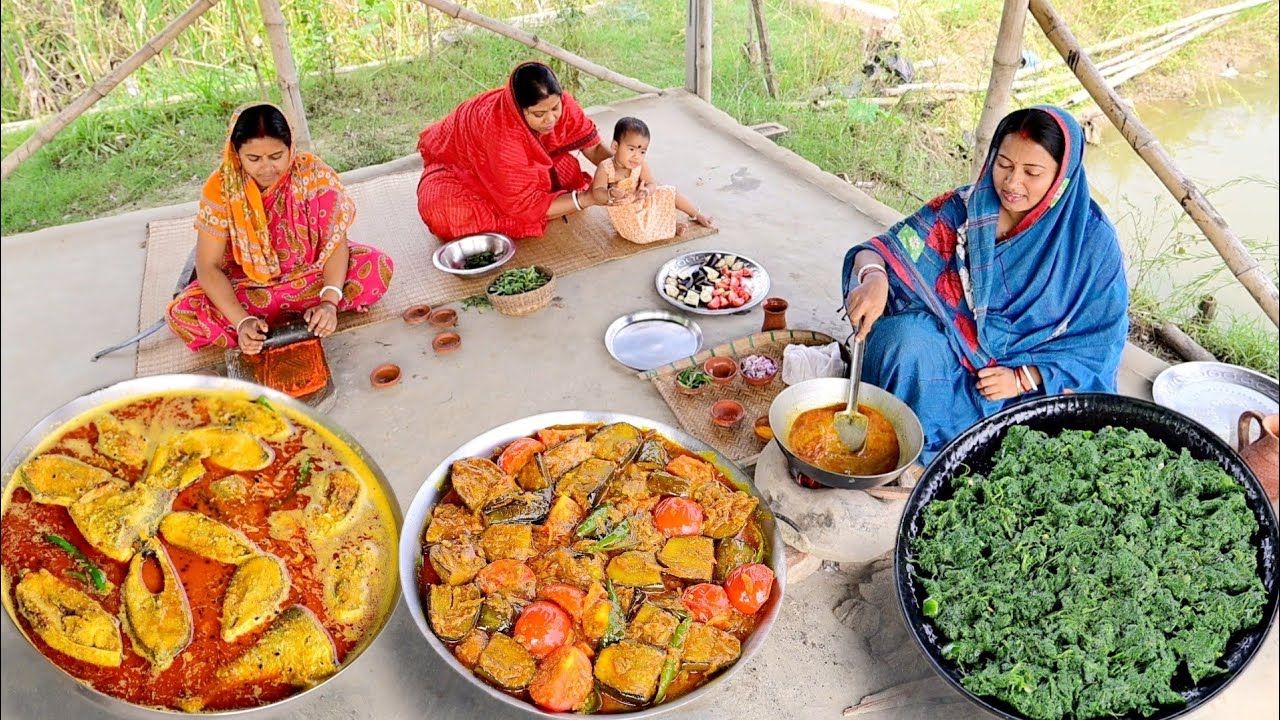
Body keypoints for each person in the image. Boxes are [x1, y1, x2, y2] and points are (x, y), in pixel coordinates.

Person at [841, 105, 1128, 459]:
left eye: (1032, 172)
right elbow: (883, 250)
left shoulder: (1091, 243)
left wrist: (1025, 376)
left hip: (1025, 389)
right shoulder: (966, 210)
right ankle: (899, 452)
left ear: (1062, 178)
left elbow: (1098, 346)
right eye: (1004, 164)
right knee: (900, 341)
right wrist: (874, 276)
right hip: (952, 361)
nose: (1012, 183)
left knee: (1035, 456)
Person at [166, 103, 394, 355]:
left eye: (276, 156)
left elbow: (335, 244)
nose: (266, 168)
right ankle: (269, 326)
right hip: (249, 286)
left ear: (290, 147)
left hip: (310, 276)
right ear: (236, 153)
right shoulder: (221, 188)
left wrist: (329, 301)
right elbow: (208, 266)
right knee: (183, 314)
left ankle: (294, 322)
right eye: (253, 159)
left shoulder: (313, 175)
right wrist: (242, 322)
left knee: (376, 266)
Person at [415, 61, 613, 241]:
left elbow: (594, 148)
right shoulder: (503, 136)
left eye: (555, 108)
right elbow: (525, 206)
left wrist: (625, 170)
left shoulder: (561, 103)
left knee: (566, 171)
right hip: (461, 169)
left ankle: (539, 201)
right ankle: (527, 207)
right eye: (539, 114)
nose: (551, 119)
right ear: (518, 110)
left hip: (510, 169)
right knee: (440, 212)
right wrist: (587, 198)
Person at [592, 116, 713, 243]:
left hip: (642, 200)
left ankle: (696, 214)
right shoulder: (605, 168)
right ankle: (671, 227)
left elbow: (651, 183)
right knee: (641, 235)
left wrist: (646, 191)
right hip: (626, 211)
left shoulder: (640, 165)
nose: (636, 156)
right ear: (615, 146)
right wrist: (609, 194)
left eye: (642, 152)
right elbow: (596, 192)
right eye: (631, 149)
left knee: (669, 192)